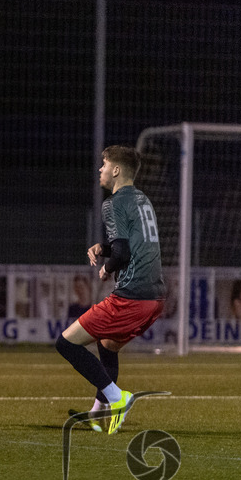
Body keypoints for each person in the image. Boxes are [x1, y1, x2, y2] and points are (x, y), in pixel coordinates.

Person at [55, 145, 165, 434]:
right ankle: (96, 414)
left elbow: (124, 252)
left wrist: (108, 265)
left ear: (116, 170)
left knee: (66, 343)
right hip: (154, 297)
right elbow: (131, 243)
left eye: (103, 164)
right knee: (107, 345)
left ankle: (119, 399)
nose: (100, 170)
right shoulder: (142, 200)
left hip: (133, 296)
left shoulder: (112, 203)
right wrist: (105, 249)